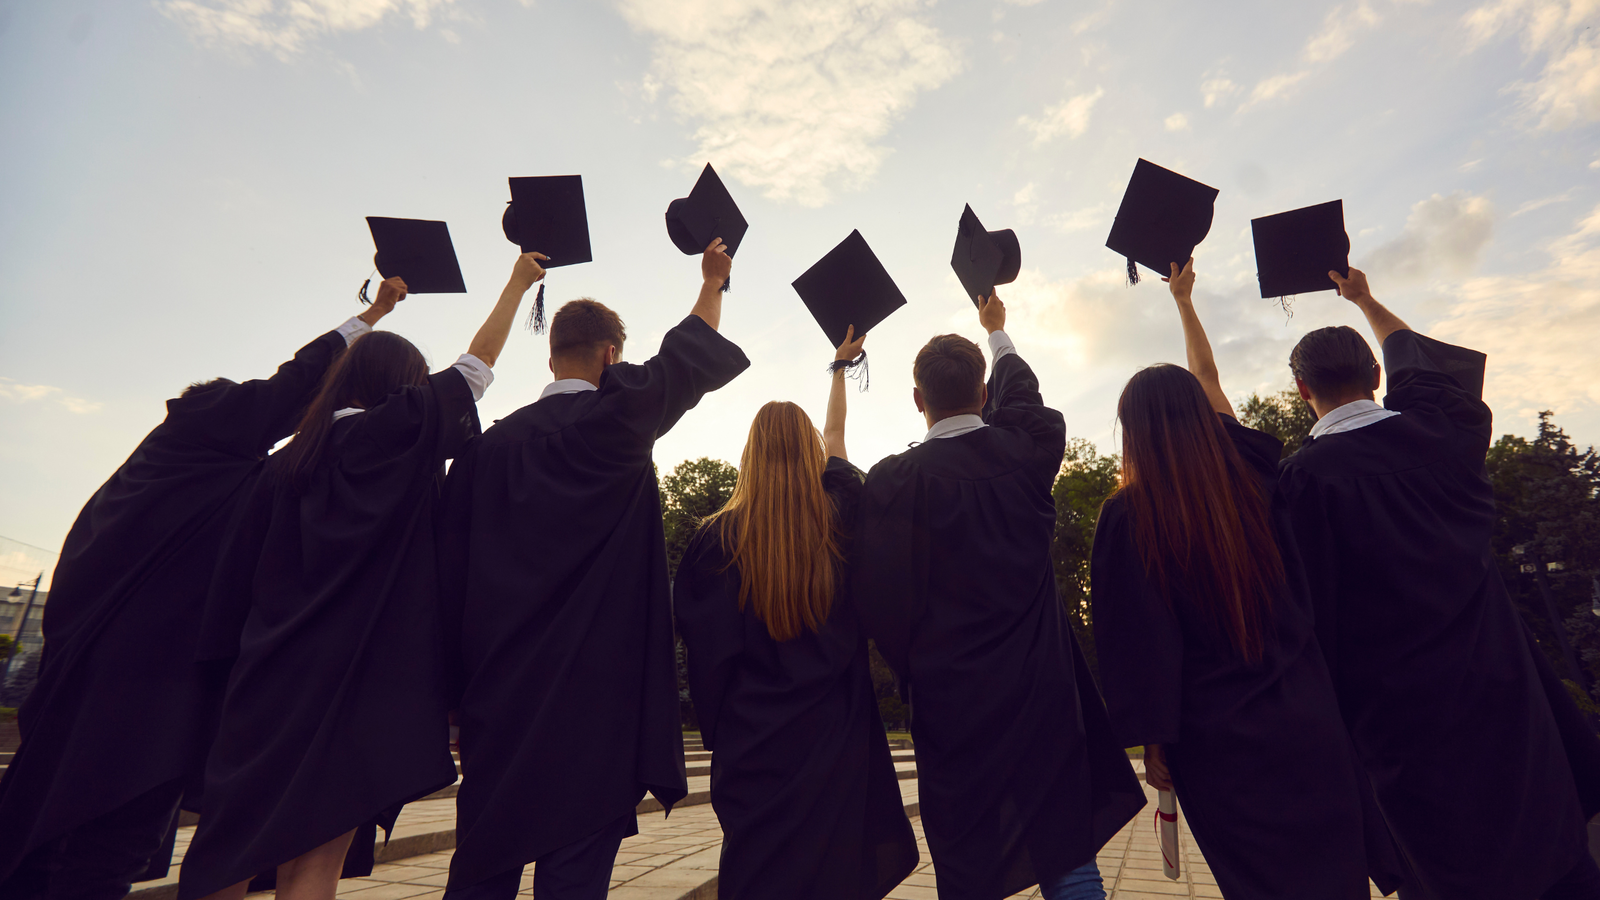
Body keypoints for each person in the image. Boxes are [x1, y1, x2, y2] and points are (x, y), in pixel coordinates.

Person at [176, 253, 544, 900]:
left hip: (264, 684)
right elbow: (474, 371)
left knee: (226, 855)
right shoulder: (394, 439)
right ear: (401, 387)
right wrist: (517, 283)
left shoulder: (280, 469)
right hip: (357, 688)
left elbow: (230, 588)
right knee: (314, 868)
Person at [0, 295, 385, 900]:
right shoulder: (196, 436)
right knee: (82, 859)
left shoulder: (168, 481)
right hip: (126, 714)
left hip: (124, 709)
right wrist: (368, 319)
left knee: (92, 852)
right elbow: (290, 386)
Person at [438, 239, 749, 899]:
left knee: (482, 874)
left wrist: (451, 701)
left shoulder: (486, 453)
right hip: (597, 709)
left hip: (499, 703)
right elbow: (686, 356)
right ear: (612, 357)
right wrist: (712, 280)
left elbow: (448, 585)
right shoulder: (617, 426)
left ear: (550, 356)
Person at [1278, 266, 1600, 899]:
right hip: (1502, 687)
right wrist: (1364, 299)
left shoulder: (1300, 484)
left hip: (1400, 719)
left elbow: (1310, 613)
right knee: (1556, 859)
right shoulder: (1443, 433)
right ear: (1374, 376)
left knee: (1449, 870)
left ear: (1300, 389)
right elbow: (1419, 365)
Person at [1089, 260, 1380, 899]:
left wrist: (1154, 736)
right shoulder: (1259, 478)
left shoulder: (1129, 515)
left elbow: (1140, 639)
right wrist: (1184, 304)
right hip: (1310, 717)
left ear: (1131, 432)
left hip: (1220, 743)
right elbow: (1208, 380)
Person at [852, 293, 1145, 900]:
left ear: (917, 401)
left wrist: (918, 668)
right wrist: (998, 333)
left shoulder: (894, 482)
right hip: (1041, 690)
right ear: (984, 395)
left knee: (967, 861)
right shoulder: (1027, 453)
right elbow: (1028, 404)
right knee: (1067, 850)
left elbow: (880, 603)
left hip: (950, 695)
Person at [673, 326, 919, 900]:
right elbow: (837, 440)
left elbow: (706, 661)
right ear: (810, 455)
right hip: (833, 742)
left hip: (754, 749)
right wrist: (838, 369)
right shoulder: (840, 521)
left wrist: (724, 731)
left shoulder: (716, 542)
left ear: (748, 455)